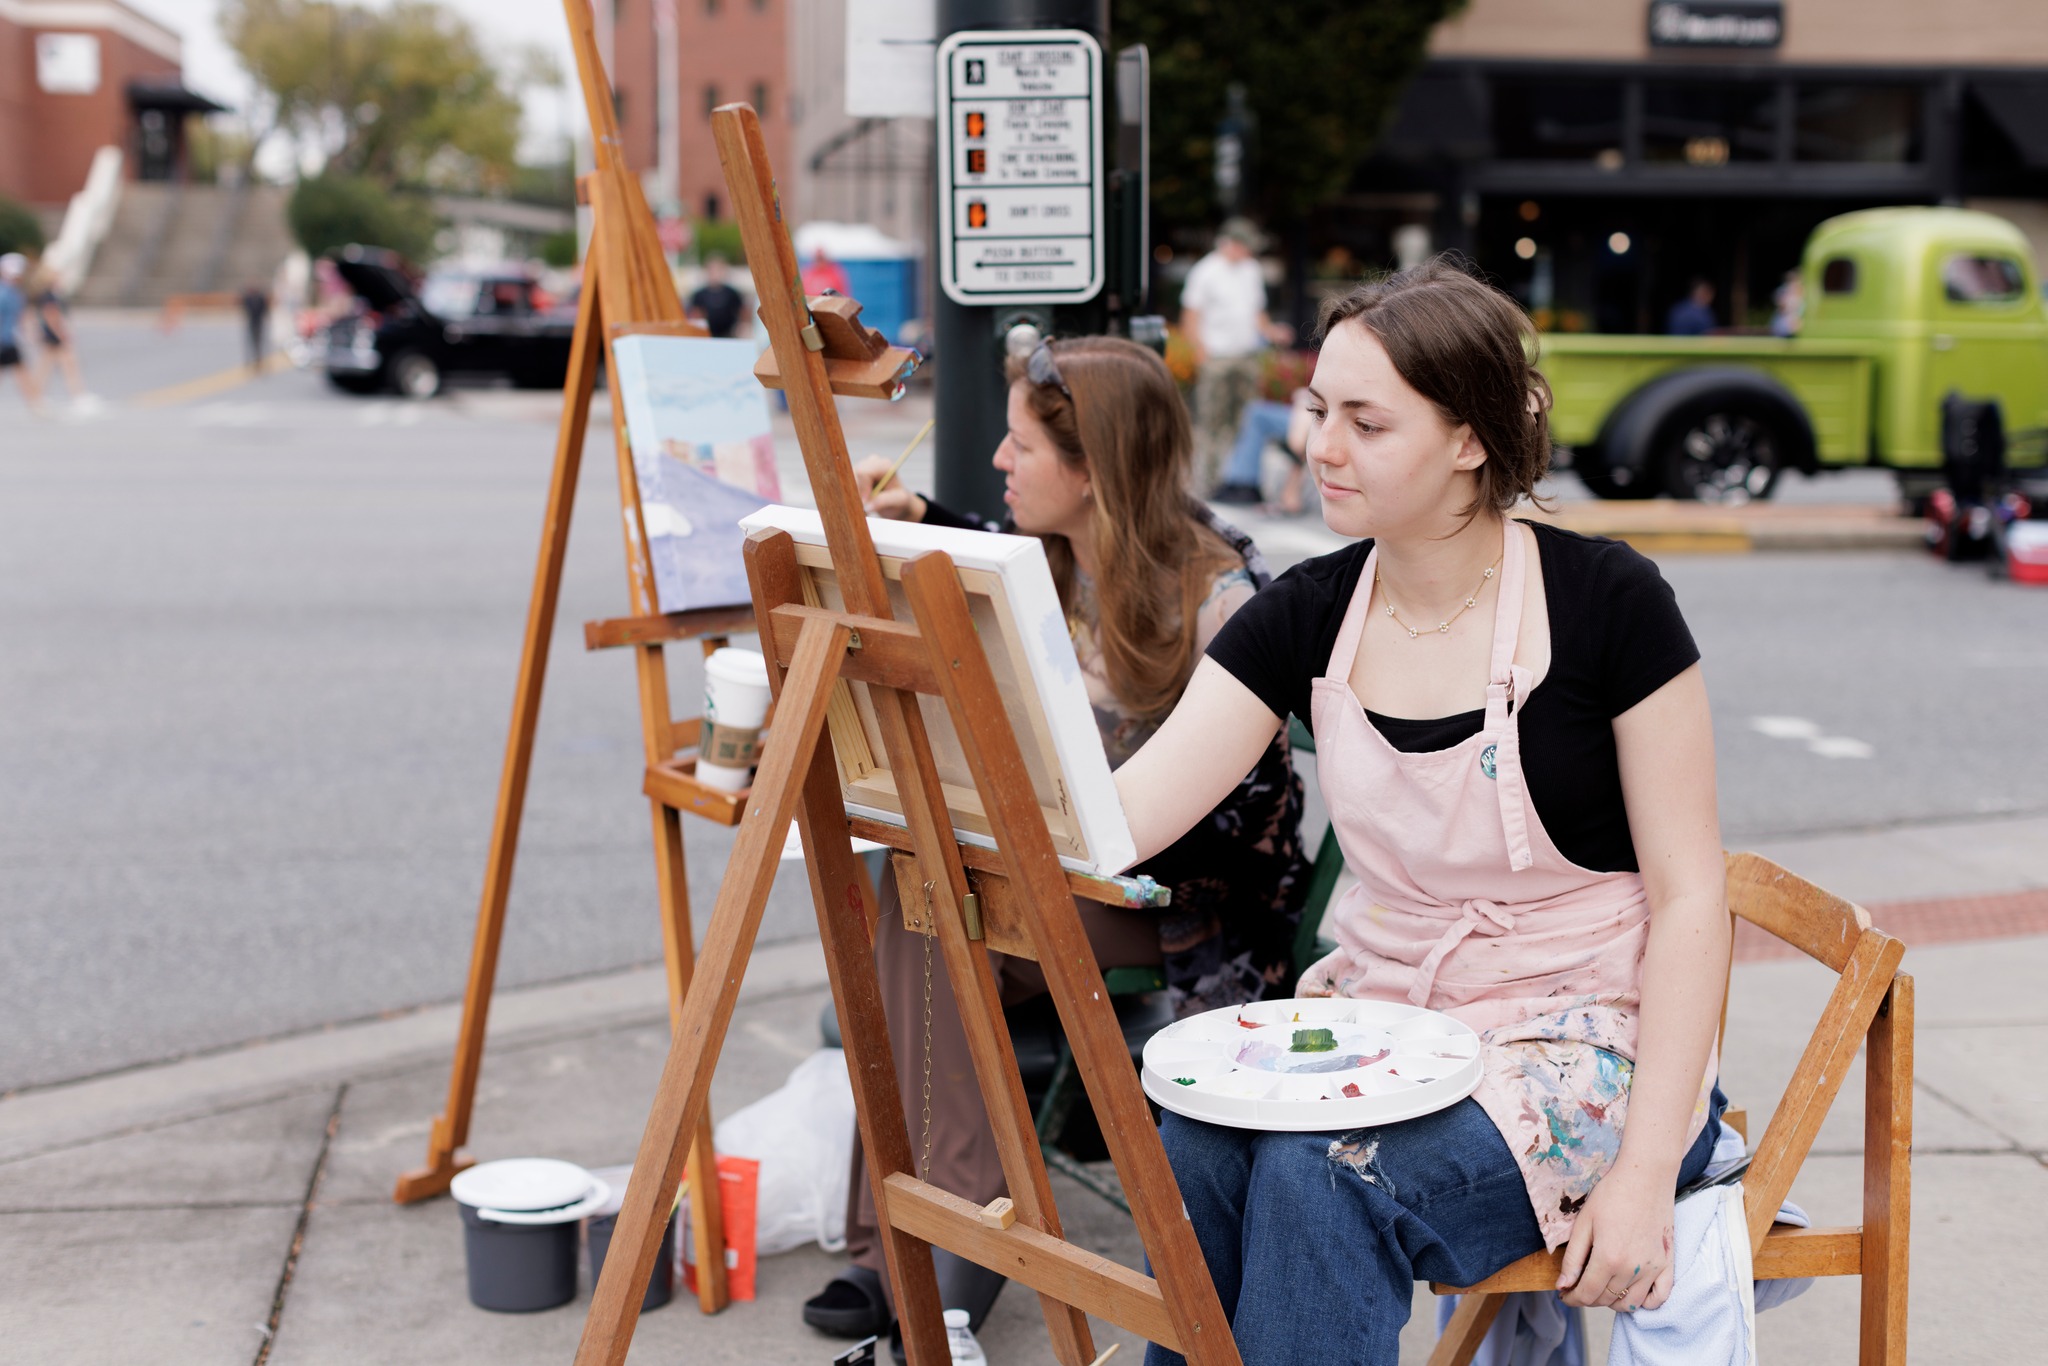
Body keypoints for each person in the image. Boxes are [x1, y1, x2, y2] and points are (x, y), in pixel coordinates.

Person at [1110, 259, 1729, 1365]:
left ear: (1468, 438)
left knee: (1321, 1170)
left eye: (1365, 420)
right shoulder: (1301, 613)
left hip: (1587, 1041)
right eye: (1315, 411)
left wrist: (1640, 1174)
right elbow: (1120, 819)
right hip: (1385, 1021)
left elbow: (1692, 899)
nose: (1320, 446)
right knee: (1199, 1141)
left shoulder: (1609, 604)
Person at [803, 336, 1310, 1350]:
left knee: (940, 909)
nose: (996, 458)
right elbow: (995, 545)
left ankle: (942, 1239)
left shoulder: (1217, 595)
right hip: (1062, 868)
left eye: (1021, 443)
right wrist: (920, 521)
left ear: (1092, 470)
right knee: (913, 890)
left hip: (1183, 903)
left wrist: (1055, 815)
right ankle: (925, 1235)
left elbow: (1233, 830)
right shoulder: (1069, 552)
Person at [1181, 218, 1291, 493]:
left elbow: (1257, 312)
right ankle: (1209, 480)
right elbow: (1191, 315)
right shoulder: (1206, 271)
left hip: (1246, 355)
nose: (1249, 252)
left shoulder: (1251, 270)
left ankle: (1238, 478)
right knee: (1212, 420)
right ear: (1230, 243)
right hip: (1217, 357)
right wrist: (1200, 352)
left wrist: (1269, 331)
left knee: (1245, 419)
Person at [1211, 386, 1313, 514]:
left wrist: (1303, 401)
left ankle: (1243, 484)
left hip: (1311, 413)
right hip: (1308, 410)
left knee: (1257, 414)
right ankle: (1241, 483)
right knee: (1255, 411)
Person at [29, 269, 93, 407]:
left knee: (47, 367)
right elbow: (51, 317)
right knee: (69, 365)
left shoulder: (49, 295)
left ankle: (36, 396)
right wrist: (61, 335)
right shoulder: (49, 297)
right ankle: (78, 396)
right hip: (55, 336)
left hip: (51, 335)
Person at [0, 253, 44, 414]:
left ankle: (35, 403)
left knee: (21, 372)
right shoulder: (6, 293)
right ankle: (35, 404)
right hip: (5, 341)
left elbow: (22, 318)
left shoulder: (15, 293)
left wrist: (30, 333)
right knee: (22, 373)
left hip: (9, 340)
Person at [687, 254, 744, 337]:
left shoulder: (732, 293)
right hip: (706, 335)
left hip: (728, 335)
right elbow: (695, 315)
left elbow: (741, 313)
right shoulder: (699, 294)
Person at [240, 283, 272, 371]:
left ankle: (259, 361)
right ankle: (250, 361)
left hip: (259, 323)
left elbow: (265, 309)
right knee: (250, 343)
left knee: (259, 343)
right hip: (251, 323)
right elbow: (245, 309)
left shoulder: (260, 298)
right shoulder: (248, 298)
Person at [1770, 269, 1803, 338]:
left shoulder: (1801, 293)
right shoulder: (1783, 291)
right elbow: (1782, 307)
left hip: (1794, 323)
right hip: (1784, 324)